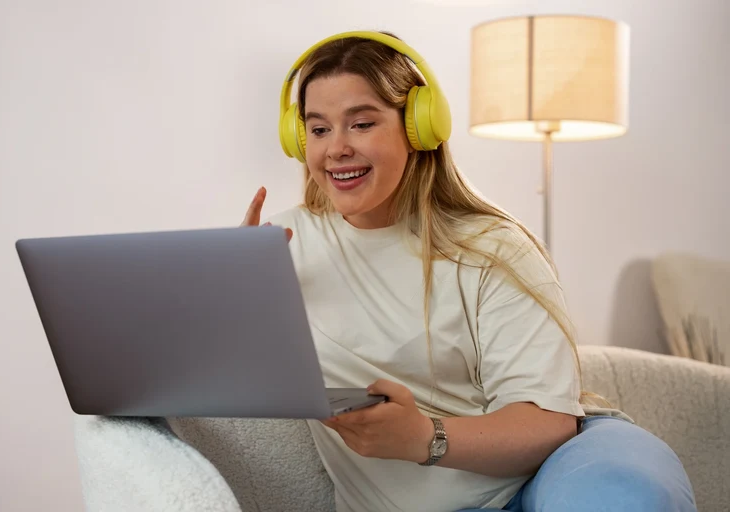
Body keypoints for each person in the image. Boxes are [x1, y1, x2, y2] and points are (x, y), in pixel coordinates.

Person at [240, 31, 697, 512]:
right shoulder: (277, 248)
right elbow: (208, 379)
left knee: (620, 498)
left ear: (419, 127)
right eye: (318, 129)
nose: (336, 148)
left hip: (553, 475)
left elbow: (548, 420)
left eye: (362, 123)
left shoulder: (493, 247)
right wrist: (227, 302)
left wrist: (425, 437)